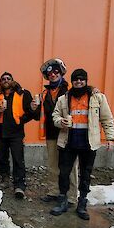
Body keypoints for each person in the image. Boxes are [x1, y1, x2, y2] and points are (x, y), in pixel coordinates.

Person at [50, 68, 114, 220]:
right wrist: (61, 122)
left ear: (86, 80)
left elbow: (107, 118)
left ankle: (82, 204)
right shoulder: (64, 98)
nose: (78, 82)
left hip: (88, 144)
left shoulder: (97, 97)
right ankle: (63, 201)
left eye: (81, 79)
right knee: (64, 173)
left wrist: (110, 138)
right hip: (68, 143)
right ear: (72, 81)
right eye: (75, 79)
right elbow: (55, 116)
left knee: (85, 174)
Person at [32, 58, 78, 205]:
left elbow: (86, 94)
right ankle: (53, 191)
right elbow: (38, 114)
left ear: (61, 72)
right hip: (51, 134)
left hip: (67, 133)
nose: (53, 74)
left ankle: (71, 196)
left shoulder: (70, 90)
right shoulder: (44, 93)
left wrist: (93, 89)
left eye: (56, 71)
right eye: (49, 73)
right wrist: (33, 108)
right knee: (53, 165)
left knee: (70, 166)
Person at [0, 72, 37, 199]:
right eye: (3, 79)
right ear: (0, 82)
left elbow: (31, 112)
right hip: (1, 132)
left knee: (18, 159)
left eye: (8, 78)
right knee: (2, 158)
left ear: (12, 80)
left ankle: (19, 185)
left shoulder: (22, 94)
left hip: (16, 133)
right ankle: (4, 180)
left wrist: (21, 120)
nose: (6, 80)